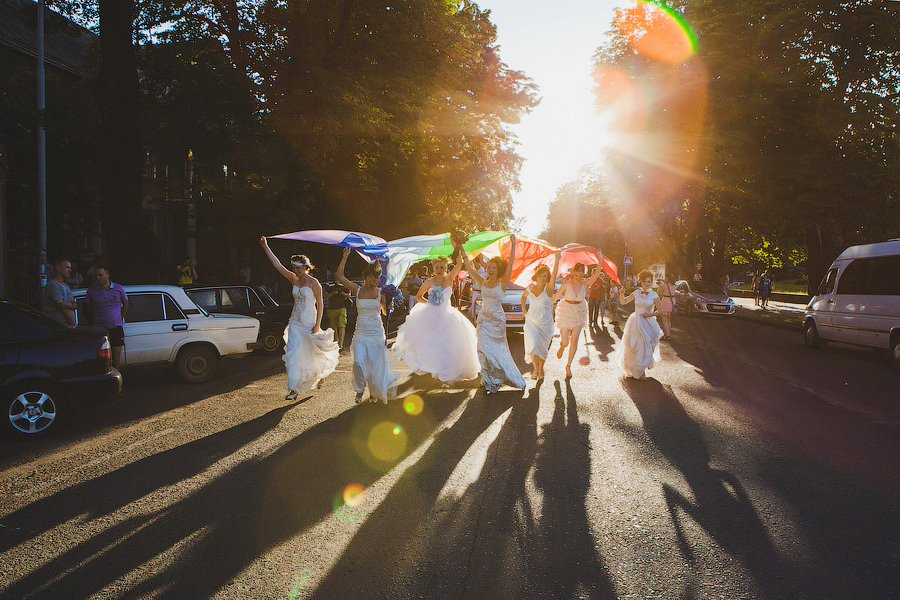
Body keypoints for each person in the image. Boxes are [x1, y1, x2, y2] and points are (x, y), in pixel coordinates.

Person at [259, 237, 339, 400]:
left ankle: (320, 374)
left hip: (309, 322)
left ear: (305, 267)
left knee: (311, 354)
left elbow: (321, 305)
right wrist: (265, 246)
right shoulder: (293, 279)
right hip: (295, 322)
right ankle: (294, 389)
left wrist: (317, 325)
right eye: (293, 268)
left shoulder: (314, 283)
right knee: (294, 354)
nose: (295, 271)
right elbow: (277, 265)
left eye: (298, 268)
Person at [392, 242, 479, 386]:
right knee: (434, 346)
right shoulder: (429, 281)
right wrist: (429, 302)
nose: (439, 269)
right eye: (436, 267)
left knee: (448, 346)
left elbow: (459, 264)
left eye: (441, 267)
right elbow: (419, 296)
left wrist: (458, 247)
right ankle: (438, 371)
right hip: (431, 316)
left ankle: (446, 375)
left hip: (448, 316)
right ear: (433, 268)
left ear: (445, 268)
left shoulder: (449, 278)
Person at [460, 239, 526, 393]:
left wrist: (514, 245)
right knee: (482, 350)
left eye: (493, 267)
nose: (490, 269)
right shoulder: (482, 281)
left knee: (497, 351)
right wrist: (463, 253)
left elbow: (510, 265)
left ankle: (499, 378)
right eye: (489, 267)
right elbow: (469, 268)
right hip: (483, 320)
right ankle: (488, 380)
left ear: (498, 270)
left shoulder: (502, 284)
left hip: (497, 322)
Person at [335, 247, 400, 404]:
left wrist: (389, 306)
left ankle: (373, 392)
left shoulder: (381, 292)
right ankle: (359, 389)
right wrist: (345, 257)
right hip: (361, 333)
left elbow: (384, 312)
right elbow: (340, 276)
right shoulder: (357, 290)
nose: (379, 280)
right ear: (369, 277)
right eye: (377, 278)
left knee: (373, 366)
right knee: (358, 362)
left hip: (376, 332)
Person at [552, 262, 603, 377]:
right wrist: (544, 306)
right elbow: (555, 297)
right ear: (573, 273)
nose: (579, 278)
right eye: (577, 275)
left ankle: (568, 366)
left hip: (579, 312)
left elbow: (596, 274)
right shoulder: (566, 284)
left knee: (574, 340)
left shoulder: (585, 284)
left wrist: (599, 259)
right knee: (565, 342)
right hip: (566, 311)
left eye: (581, 276)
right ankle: (562, 346)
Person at [520, 252, 561, 381]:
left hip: (545, 323)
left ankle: (541, 368)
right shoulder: (530, 289)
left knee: (542, 347)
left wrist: (557, 260)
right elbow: (523, 297)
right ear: (536, 277)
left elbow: (554, 275)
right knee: (533, 345)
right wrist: (523, 309)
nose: (542, 278)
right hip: (531, 321)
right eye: (540, 276)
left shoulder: (548, 289)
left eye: (545, 276)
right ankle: (535, 368)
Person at [617, 269, 664, 380]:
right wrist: (621, 294)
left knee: (645, 345)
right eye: (644, 281)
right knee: (633, 345)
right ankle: (632, 369)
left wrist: (650, 314)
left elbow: (660, 311)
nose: (646, 284)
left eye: (648, 281)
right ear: (640, 281)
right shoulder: (636, 293)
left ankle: (641, 371)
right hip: (635, 321)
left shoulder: (654, 294)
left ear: (651, 282)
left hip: (648, 322)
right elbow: (623, 302)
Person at [84, 265, 129, 369]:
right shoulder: (91, 291)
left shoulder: (118, 288)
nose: (97, 278)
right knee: (99, 359)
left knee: (116, 359)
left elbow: (126, 304)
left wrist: (120, 317)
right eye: (95, 275)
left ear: (107, 275)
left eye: (100, 275)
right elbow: (88, 308)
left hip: (115, 328)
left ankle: (115, 381)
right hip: (98, 329)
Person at [42, 258, 77, 326]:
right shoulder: (53, 285)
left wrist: (68, 305)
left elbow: (75, 304)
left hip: (67, 326)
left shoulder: (66, 286)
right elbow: (63, 309)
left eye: (70, 268)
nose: (70, 270)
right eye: (67, 267)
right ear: (58, 268)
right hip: (59, 326)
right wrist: (75, 326)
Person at [324, 278, 351, 349]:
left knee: (342, 325)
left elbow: (348, 295)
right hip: (331, 308)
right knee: (334, 327)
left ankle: (341, 344)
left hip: (342, 307)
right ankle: (336, 341)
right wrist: (333, 293)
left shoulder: (345, 283)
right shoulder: (329, 283)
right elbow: (325, 296)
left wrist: (341, 293)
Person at [467, 253, 487, 319]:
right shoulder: (477, 263)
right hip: (479, 282)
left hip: (485, 281)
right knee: (477, 298)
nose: (482, 254)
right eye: (480, 253)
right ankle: (473, 313)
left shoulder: (485, 262)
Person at [657, 273, 676, 340]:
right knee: (668, 320)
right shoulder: (674, 285)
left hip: (665, 301)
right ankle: (668, 334)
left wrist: (659, 285)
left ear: (667, 278)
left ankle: (667, 335)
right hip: (672, 301)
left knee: (664, 320)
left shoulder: (665, 285)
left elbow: (658, 292)